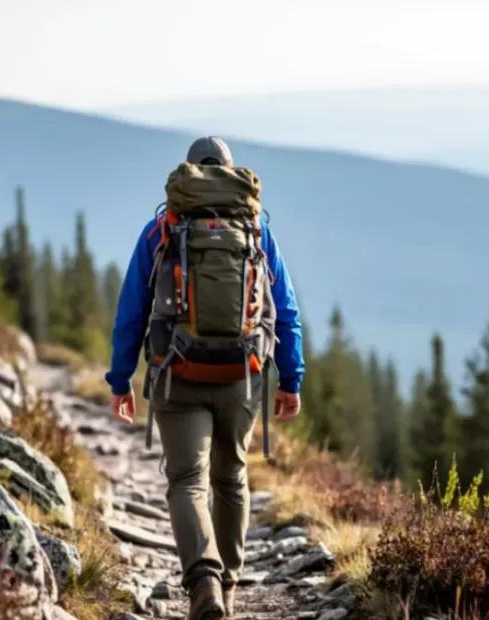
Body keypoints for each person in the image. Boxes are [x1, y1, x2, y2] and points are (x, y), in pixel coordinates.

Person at [105, 136, 304, 619]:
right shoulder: (255, 229)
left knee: (187, 481)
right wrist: (291, 379)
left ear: (189, 174)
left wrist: (120, 379)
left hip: (178, 372)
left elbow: (131, 310)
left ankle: (204, 584)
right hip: (242, 372)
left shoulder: (163, 229)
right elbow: (287, 310)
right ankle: (229, 590)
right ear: (230, 173)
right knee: (231, 476)